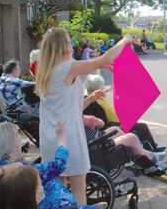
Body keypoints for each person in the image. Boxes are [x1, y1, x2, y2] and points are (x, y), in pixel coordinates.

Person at [35, 28, 132, 205]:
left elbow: (66, 107)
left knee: (59, 193)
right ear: (64, 46)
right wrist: (124, 40)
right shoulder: (67, 68)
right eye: (69, 41)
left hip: (50, 138)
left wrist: (91, 98)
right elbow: (107, 57)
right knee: (79, 192)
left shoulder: (46, 71)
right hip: (69, 138)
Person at [0, 120, 95, 209]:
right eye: (17, 138)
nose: (20, 141)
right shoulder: (20, 171)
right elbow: (58, 165)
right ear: (8, 151)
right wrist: (62, 141)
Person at [84, 74, 167, 152]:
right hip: (115, 126)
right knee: (142, 127)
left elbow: (94, 91)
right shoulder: (100, 101)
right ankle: (152, 150)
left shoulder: (87, 98)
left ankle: (148, 145)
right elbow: (114, 117)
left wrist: (107, 89)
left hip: (105, 128)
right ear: (99, 88)